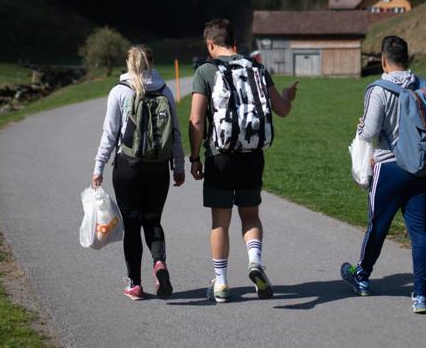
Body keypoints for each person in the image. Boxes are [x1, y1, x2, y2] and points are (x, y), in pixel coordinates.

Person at [189, 19, 297, 303]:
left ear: (211, 44)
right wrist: (287, 96)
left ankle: (222, 283)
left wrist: (194, 157)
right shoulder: (257, 68)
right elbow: (282, 110)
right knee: (250, 214)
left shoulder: (206, 71)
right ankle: (254, 261)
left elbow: (197, 119)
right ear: (233, 40)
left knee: (219, 222)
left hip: (219, 156)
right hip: (252, 154)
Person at [340, 35, 426, 314]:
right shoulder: (423, 86)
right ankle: (421, 295)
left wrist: (361, 128)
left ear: (384, 61)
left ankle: (361, 277)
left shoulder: (379, 89)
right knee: (420, 231)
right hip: (421, 169)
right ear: (407, 59)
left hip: (389, 167)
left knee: (378, 226)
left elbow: (371, 132)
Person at [92, 45, 186, 301]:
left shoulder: (119, 92)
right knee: (153, 221)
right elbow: (175, 133)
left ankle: (134, 283)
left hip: (127, 168)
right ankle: (159, 264)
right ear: (152, 63)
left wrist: (98, 167)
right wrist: (179, 166)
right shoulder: (164, 90)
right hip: (158, 169)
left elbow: (110, 135)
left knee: (132, 226)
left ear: (128, 62)